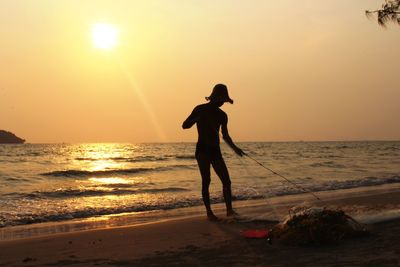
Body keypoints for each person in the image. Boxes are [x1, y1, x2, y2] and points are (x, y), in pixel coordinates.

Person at [182, 84, 245, 221]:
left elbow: (226, 136)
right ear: (215, 97)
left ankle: (229, 211)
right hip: (203, 150)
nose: (223, 103)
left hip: (215, 150)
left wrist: (235, 149)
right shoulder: (200, 109)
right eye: (222, 100)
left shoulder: (222, 115)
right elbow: (184, 125)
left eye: (225, 100)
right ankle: (209, 213)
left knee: (226, 181)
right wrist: (195, 119)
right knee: (206, 180)